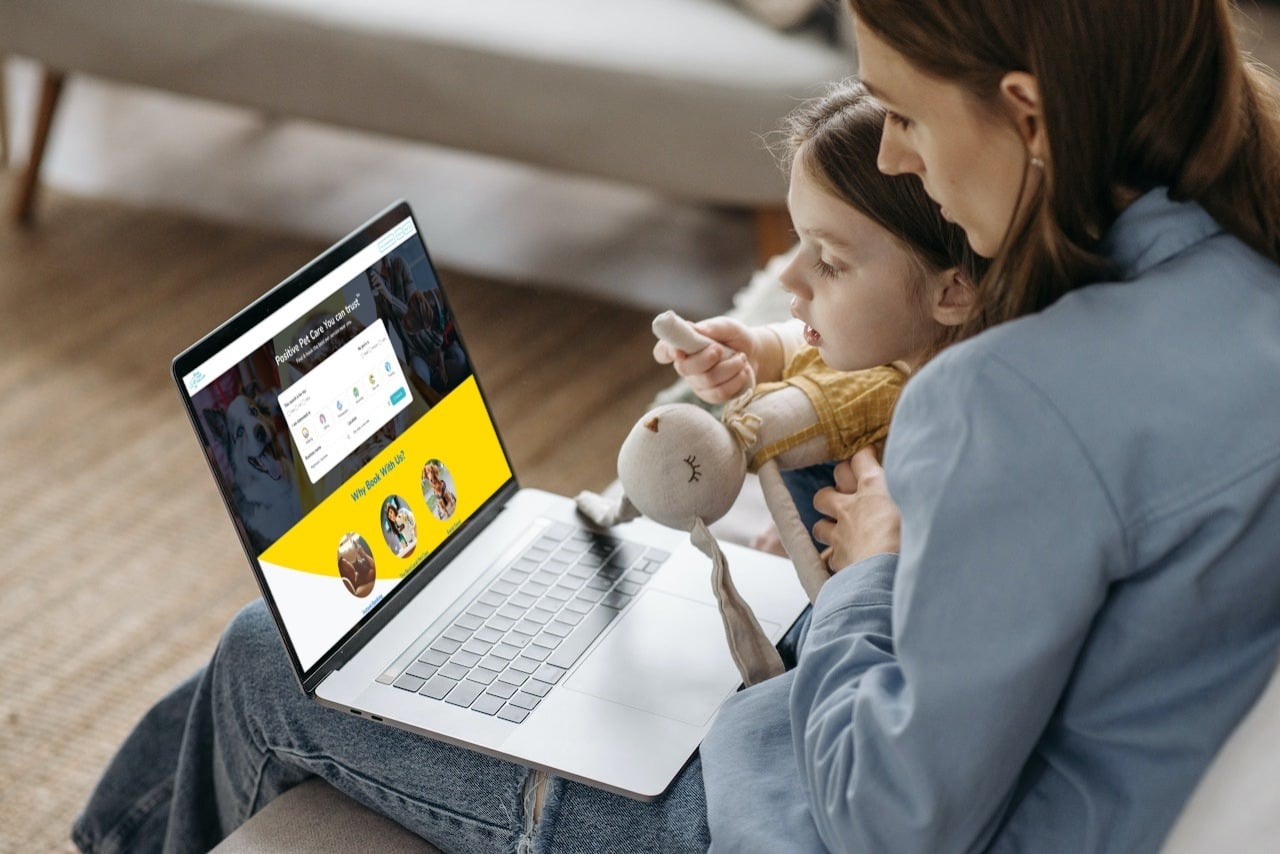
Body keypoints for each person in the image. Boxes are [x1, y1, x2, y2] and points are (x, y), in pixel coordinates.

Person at [71, 2, 1280, 852]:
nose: (899, 155)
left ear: (1025, 113)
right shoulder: (1243, 276)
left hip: (771, 811)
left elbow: (883, 822)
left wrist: (867, 578)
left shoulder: (1012, 398)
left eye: (903, 115)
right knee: (404, 636)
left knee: (272, 658)